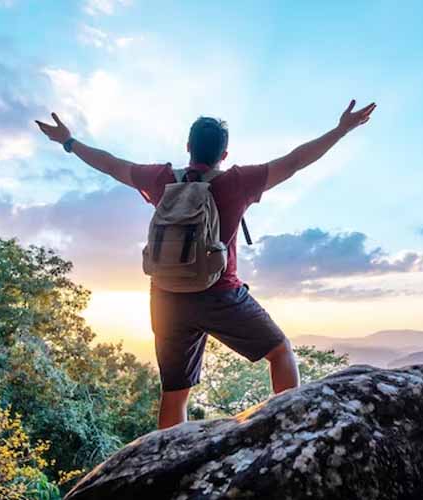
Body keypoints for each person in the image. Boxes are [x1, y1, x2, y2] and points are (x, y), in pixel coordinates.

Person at [35, 99, 376, 429]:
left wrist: (68, 141)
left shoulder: (161, 178)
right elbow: (297, 160)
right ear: (224, 154)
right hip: (221, 294)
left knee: (174, 395)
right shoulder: (237, 181)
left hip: (166, 297)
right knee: (281, 352)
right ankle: (291, 432)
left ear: (188, 147)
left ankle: (164, 465)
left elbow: (110, 164)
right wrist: (341, 130)